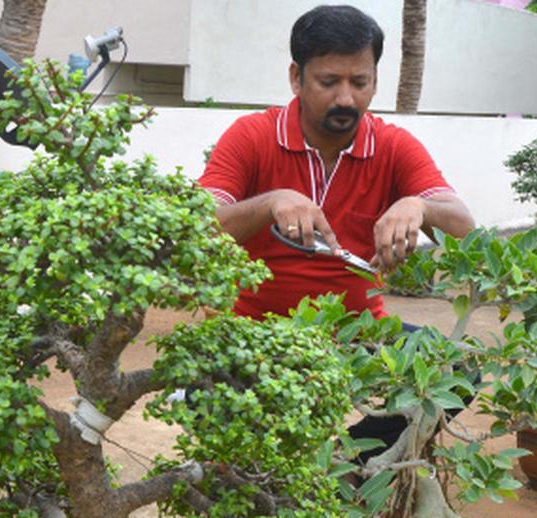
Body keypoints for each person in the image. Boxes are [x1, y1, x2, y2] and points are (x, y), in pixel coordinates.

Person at [199, 4, 474, 321]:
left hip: (360, 337)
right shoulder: (252, 136)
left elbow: (467, 232)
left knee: (452, 355)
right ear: (296, 78)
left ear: (375, 81)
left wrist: (420, 207)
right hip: (255, 336)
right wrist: (269, 204)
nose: (345, 98)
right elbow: (197, 230)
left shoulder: (393, 147)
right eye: (329, 82)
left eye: (359, 83)